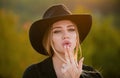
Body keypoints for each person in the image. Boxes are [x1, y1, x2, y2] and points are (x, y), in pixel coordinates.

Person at [23, 4, 102, 78]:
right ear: (49, 39)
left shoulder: (94, 75)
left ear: (77, 37)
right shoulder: (33, 74)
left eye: (71, 29)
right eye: (57, 31)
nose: (66, 35)